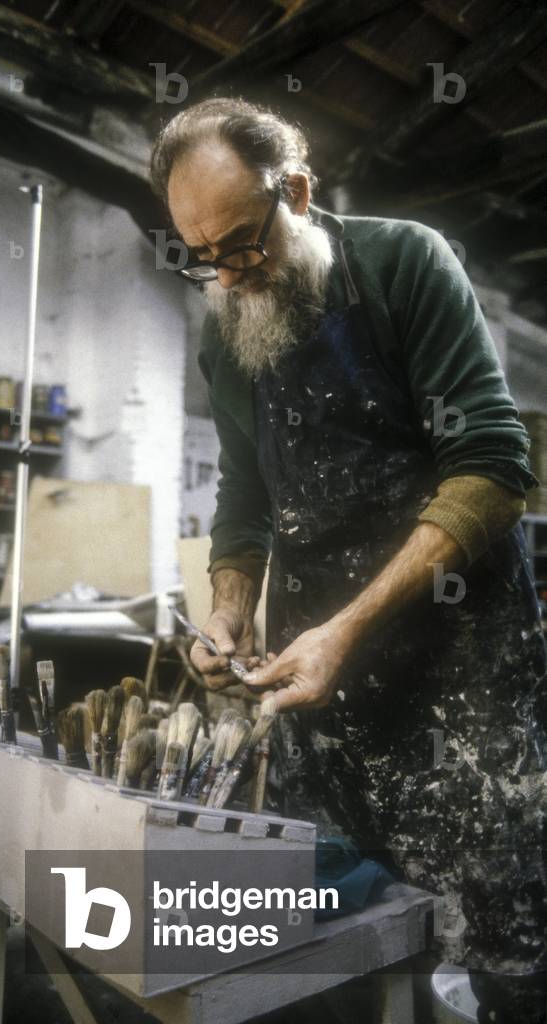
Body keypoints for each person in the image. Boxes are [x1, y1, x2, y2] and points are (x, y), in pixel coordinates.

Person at [150, 98, 547, 1023]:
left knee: (503, 928)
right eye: (200, 254)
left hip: (461, 660)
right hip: (320, 667)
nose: (227, 273)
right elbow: (243, 500)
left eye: (242, 243)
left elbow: (494, 465)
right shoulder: (226, 325)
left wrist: (349, 627)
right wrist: (229, 608)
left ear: (295, 188)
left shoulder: (402, 261)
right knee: (333, 914)